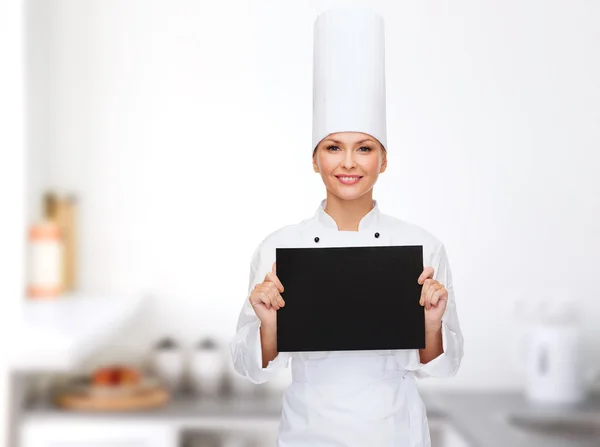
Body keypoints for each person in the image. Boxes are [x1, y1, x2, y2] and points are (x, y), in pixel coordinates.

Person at [230, 6, 464, 446]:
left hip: (396, 435)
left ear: (384, 159)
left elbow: (445, 366)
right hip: (308, 435)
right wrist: (267, 325)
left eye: (365, 148)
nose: (349, 163)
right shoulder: (278, 249)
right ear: (315, 159)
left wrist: (431, 324)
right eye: (334, 147)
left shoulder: (422, 247)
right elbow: (249, 369)